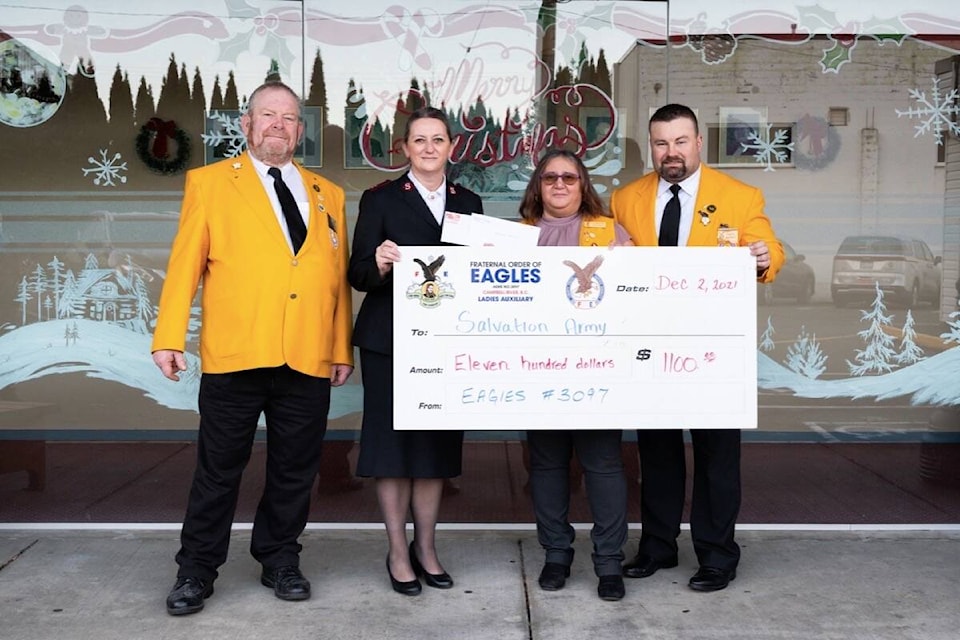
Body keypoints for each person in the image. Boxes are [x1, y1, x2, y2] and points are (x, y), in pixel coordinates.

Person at [151, 81, 354, 615]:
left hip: (306, 356)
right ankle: (195, 571)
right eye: (268, 116)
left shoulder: (327, 194)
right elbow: (184, 266)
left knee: (294, 469)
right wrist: (168, 335)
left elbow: (334, 283)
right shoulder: (211, 184)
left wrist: (340, 349)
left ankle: (280, 558)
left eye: (288, 119)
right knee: (218, 471)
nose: (277, 126)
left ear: (300, 131)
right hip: (236, 354)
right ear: (246, 124)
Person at [609, 103, 784, 592]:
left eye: (680, 142)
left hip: (714, 349)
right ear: (651, 145)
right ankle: (658, 547)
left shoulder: (739, 195)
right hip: (650, 346)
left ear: (699, 143)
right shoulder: (625, 198)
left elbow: (767, 247)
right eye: (661, 143)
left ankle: (716, 555)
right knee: (657, 453)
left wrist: (765, 257)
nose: (671, 152)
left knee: (716, 458)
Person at [348, 106, 483, 596]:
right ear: (405, 148)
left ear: (452, 147)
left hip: (447, 338)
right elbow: (356, 274)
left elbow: (477, 275)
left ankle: (427, 548)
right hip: (389, 341)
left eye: (438, 140)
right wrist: (380, 263)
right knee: (391, 449)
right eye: (419, 140)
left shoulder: (469, 200)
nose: (429, 148)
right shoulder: (380, 199)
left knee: (433, 448)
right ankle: (397, 552)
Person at [518, 149, 632, 601]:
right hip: (535, 368)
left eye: (569, 177)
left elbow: (634, 299)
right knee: (546, 466)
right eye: (550, 178)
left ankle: (608, 562)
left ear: (584, 184)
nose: (560, 184)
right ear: (538, 186)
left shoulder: (608, 232)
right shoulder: (518, 236)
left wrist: (631, 264)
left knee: (603, 466)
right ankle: (556, 555)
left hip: (596, 368)